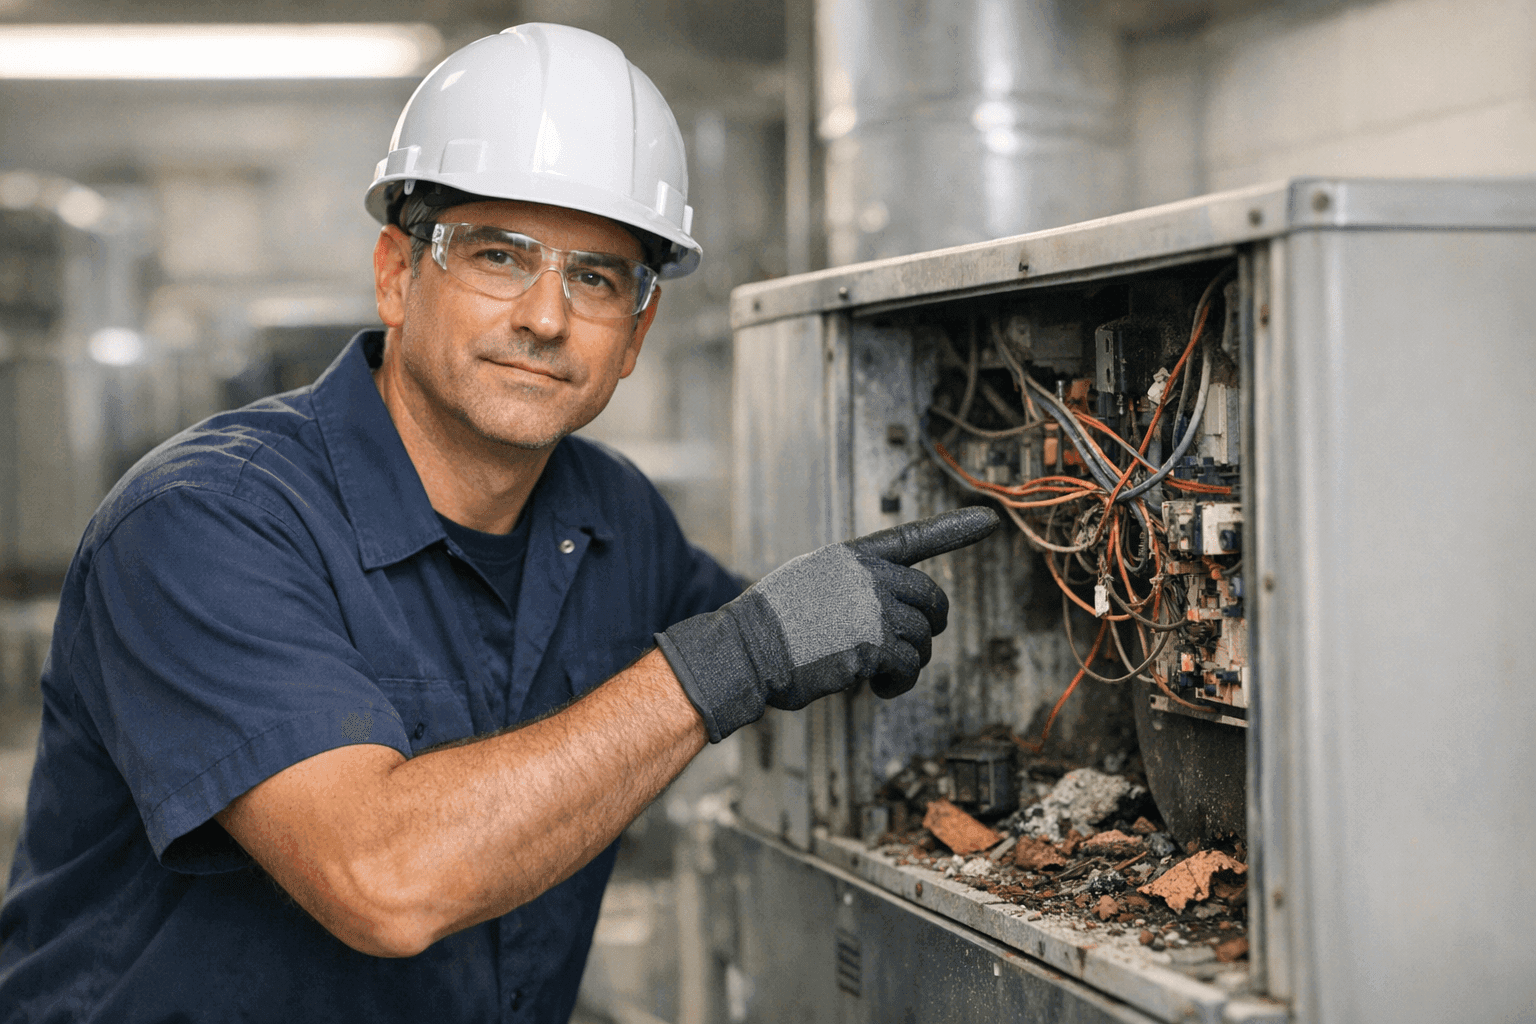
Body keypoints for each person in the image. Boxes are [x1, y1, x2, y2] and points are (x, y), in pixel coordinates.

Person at [0, 23, 995, 1023]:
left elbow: (766, 642)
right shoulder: (204, 524)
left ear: (638, 332)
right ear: (397, 273)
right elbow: (382, 877)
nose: (547, 317)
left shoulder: (615, 521)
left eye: (597, 277)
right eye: (498, 256)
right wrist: (739, 653)